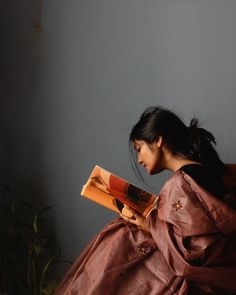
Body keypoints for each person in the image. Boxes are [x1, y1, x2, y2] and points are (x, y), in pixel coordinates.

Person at [55, 106, 236, 295]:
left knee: (122, 234)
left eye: (139, 149)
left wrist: (149, 226)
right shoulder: (205, 174)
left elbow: (191, 252)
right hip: (223, 267)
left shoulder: (180, 184)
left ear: (158, 140)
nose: (139, 159)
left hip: (206, 276)